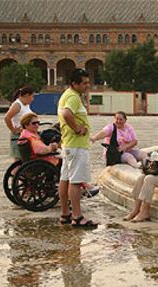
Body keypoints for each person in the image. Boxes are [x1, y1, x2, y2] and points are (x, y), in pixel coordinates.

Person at [57, 68, 97, 228]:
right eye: (85, 83)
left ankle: (65, 213)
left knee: (65, 179)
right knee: (76, 181)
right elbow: (67, 114)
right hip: (76, 145)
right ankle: (77, 216)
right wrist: (77, 128)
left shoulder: (66, 95)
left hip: (68, 144)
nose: (88, 85)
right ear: (75, 84)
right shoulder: (73, 97)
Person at [4, 86, 35, 161]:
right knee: (18, 160)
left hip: (26, 134)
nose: (33, 99)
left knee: (26, 159)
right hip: (18, 136)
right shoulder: (17, 105)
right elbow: (7, 118)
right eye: (32, 96)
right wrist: (13, 129)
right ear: (27, 95)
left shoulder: (26, 104)